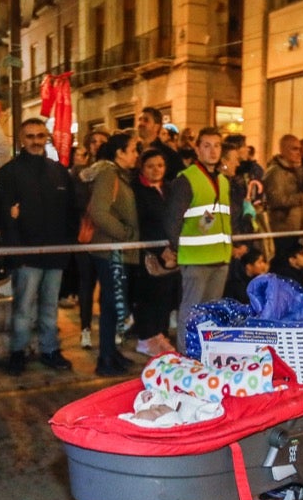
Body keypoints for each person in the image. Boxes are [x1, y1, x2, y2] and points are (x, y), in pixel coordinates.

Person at [0, 119, 78, 374]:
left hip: (55, 254)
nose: (35, 140)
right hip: (26, 256)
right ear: (21, 139)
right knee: (23, 308)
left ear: (47, 138)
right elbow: (3, 217)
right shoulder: (8, 173)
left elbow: (71, 212)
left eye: (40, 135)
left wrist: (66, 248)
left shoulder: (59, 171)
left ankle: (50, 349)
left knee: (50, 306)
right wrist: (15, 254)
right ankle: (17, 352)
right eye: (30, 136)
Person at [162, 127, 233, 349]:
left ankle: (206, 354)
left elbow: (213, 217)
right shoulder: (186, 179)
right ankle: (185, 355)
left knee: (211, 314)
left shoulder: (223, 181)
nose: (213, 151)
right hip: (196, 260)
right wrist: (179, 248)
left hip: (220, 258)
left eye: (217, 146)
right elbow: (172, 220)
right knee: (191, 311)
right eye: (207, 146)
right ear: (197, 149)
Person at [84, 132, 140, 376]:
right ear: (120, 153)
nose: (136, 155)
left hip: (117, 250)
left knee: (112, 305)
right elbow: (98, 210)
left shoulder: (119, 175)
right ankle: (105, 358)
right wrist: (124, 233)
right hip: (112, 251)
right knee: (111, 303)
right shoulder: (109, 174)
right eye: (133, 150)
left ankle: (111, 352)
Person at [130, 146, 178, 357]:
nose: (156, 170)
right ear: (142, 167)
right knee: (149, 296)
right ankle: (146, 337)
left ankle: (161, 335)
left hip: (172, 251)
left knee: (166, 296)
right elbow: (141, 223)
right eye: (150, 166)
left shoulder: (170, 189)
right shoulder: (136, 190)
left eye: (160, 165)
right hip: (148, 252)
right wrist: (160, 250)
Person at [263, 134, 303, 237]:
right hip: (282, 230)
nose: (298, 153)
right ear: (283, 150)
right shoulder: (275, 172)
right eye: (294, 149)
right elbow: (277, 200)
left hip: (299, 230)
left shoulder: (298, 170)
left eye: (299, 149)